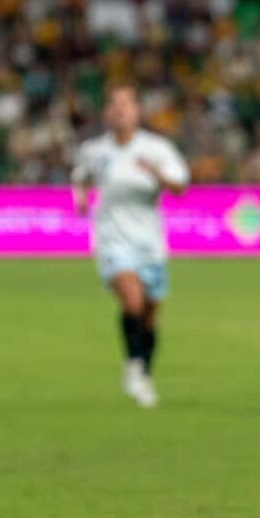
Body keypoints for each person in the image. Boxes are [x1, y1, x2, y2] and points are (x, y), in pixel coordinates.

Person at [71, 83, 189, 408]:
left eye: (126, 104)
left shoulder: (156, 148)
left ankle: (143, 373)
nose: (120, 110)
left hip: (149, 243)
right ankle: (133, 367)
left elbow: (180, 185)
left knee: (149, 315)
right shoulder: (94, 151)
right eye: (114, 104)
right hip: (111, 239)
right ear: (106, 112)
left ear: (137, 111)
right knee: (132, 299)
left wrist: (157, 175)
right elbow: (80, 176)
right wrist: (80, 196)